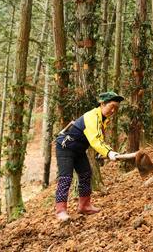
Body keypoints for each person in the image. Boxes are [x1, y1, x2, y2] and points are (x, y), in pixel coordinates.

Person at [53, 91, 125, 221]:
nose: (113, 111)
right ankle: (61, 210)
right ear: (102, 104)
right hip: (65, 147)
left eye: (116, 108)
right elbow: (95, 140)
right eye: (111, 107)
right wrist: (109, 152)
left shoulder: (102, 119)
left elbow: (98, 138)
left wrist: (101, 152)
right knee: (66, 178)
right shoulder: (92, 117)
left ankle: (84, 205)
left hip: (79, 149)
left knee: (86, 174)